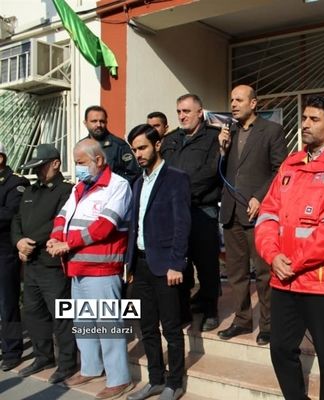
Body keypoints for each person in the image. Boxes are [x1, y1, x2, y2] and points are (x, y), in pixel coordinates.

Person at [255, 95, 324, 400]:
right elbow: (267, 214)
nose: (305, 124)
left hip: (322, 281)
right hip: (284, 276)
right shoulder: (291, 165)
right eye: (304, 118)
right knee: (280, 348)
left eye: (313, 119)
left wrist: (293, 260)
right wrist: (273, 254)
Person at [48, 139, 133, 399]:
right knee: (84, 322)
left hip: (102, 267)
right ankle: (91, 367)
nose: (77, 168)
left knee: (107, 324)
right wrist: (55, 237)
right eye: (75, 163)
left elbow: (104, 226)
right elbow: (62, 216)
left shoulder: (117, 185)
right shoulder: (80, 187)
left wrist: (66, 243)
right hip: (77, 266)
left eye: (81, 163)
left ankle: (119, 378)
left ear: (98, 161)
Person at [217, 85, 286, 345]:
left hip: (258, 211)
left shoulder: (272, 131)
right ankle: (242, 320)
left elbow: (280, 170)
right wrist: (222, 150)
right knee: (236, 273)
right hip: (231, 211)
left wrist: (261, 196)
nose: (233, 104)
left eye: (239, 100)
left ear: (254, 103)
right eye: (231, 99)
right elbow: (223, 171)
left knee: (264, 272)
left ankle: (268, 324)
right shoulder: (229, 132)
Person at [125, 124, 191, 400]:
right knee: (147, 327)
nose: (138, 154)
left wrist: (177, 263)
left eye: (142, 147)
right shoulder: (138, 182)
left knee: (172, 329)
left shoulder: (176, 178)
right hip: (140, 265)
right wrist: (128, 265)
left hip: (166, 266)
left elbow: (182, 223)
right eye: (134, 150)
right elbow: (134, 227)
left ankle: (174, 383)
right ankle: (155, 379)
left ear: (158, 145)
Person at [11, 144, 77, 384]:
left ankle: (68, 363)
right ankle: (43, 356)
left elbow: (57, 222)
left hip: (51, 265)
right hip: (30, 264)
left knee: (60, 315)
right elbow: (17, 219)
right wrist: (19, 242)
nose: (37, 171)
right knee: (34, 313)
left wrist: (31, 242)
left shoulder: (66, 190)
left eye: (41, 167)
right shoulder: (30, 191)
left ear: (55, 164)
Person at [160, 94, 222, 331]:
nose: (182, 116)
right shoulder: (171, 139)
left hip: (201, 210)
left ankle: (210, 310)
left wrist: (180, 192)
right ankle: (183, 310)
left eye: (186, 111)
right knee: (180, 262)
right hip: (174, 212)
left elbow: (211, 172)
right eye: (179, 111)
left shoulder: (213, 138)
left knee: (206, 264)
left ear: (200, 112)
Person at [0, 142, 29, 371]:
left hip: (4, 252)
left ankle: (11, 350)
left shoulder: (15, 182)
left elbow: (10, 214)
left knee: (7, 302)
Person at [84, 105, 141, 184]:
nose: (99, 125)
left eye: (102, 121)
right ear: (85, 123)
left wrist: (115, 186)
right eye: (94, 121)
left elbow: (133, 174)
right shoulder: (81, 147)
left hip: (113, 194)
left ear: (106, 122)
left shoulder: (119, 145)